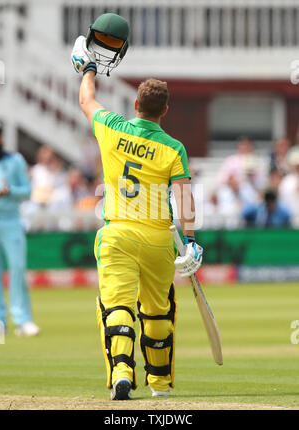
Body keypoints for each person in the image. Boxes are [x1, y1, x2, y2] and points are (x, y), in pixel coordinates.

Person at [72, 34, 203, 400]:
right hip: (159, 238)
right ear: (165, 111)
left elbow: (86, 100)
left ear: (135, 104)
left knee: (117, 307)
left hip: (117, 235)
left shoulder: (113, 127)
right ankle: (159, 385)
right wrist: (190, 242)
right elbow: (184, 199)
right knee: (158, 312)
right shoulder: (173, 148)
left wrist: (89, 69)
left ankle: (122, 373)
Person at [0, 123, 40, 336]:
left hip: (10, 221)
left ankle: (23, 320)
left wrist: (9, 191)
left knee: (17, 268)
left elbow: (27, 191)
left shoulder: (14, 160)